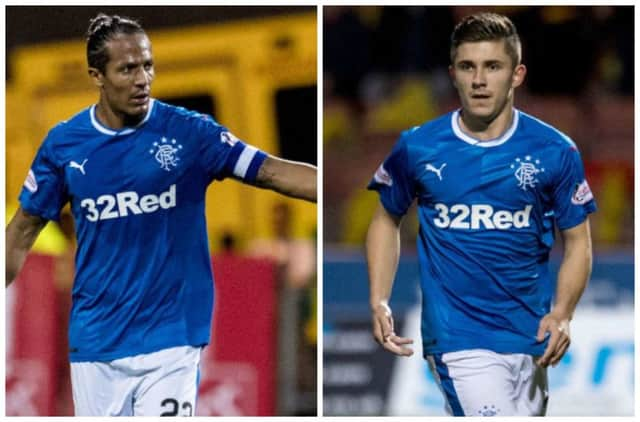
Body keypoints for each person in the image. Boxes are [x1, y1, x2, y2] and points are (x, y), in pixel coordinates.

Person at [6, 14, 316, 417]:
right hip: (97, 338)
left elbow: (271, 170)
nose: (142, 79)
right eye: (127, 69)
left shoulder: (190, 133)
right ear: (97, 75)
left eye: (147, 65)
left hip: (171, 335)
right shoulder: (64, 145)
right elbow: (21, 232)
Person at [366, 12, 595, 416]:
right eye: (468, 67)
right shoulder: (419, 147)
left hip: (529, 336)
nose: (479, 80)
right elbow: (386, 218)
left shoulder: (555, 151)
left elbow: (578, 241)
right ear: (453, 74)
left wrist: (562, 313)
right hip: (459, 338)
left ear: (517, 74)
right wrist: (379, 300)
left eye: (492, 66)